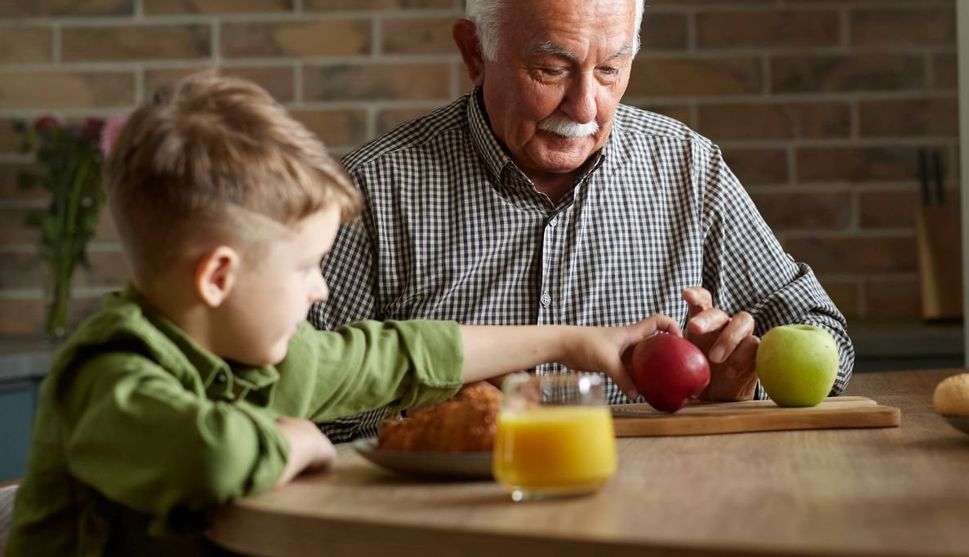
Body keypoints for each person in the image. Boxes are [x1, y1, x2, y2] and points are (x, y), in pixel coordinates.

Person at [5, 72, 680, 556]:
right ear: (218, 278)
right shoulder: (109, 373)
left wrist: (571, 340)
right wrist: (295, 440)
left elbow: (402, 352)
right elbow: (205, 453)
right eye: (303, 266)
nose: (320, 289)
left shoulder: (260, 351)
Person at [309, 0, 855, 441]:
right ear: (475, 51)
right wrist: (441, 407)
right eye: (552, 69)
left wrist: (750, 377)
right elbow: (298, 401)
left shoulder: (688, 168)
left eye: (611, 70)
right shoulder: (373, 191)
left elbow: (825, 339)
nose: (586, 106)